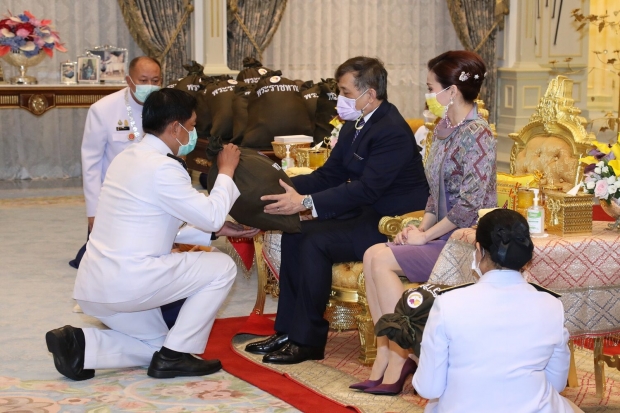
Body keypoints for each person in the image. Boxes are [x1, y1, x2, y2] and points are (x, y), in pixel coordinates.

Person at [45, 88, 259, 381]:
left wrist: (214, 232)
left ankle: (81, 345)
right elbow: (211, 214)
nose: (193, 133)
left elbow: (148, 223)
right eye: (193, 126)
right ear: (175, 127)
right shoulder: (163, 168)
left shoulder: (127, 157)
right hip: (128, 285)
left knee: (158, 346)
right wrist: (226, 171)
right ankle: (178, 356)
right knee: (221, 267)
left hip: (94, 286)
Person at [245, 56, 430, 364]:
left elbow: (367, 188)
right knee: (296, 232)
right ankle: (289, 330)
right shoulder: (355, 124)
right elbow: (329, 175)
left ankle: (308, 342)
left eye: (345, 93)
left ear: (369, 94)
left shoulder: (391, 130)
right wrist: (279, 184)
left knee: (316, 242)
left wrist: (305, 202)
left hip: (389, 222)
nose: (340, 100)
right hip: (364, 211)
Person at [354, 50, 496, 395]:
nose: (428, 95)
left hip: (467, 241)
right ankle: (388, 353)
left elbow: (468, 206)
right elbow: (435, 195)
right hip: (441, 234)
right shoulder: (445, 129)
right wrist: (419, 229)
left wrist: (425, 236)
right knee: (373, 254)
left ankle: (401, 352)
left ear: (452, 91)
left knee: (380, 257)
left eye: (432, 87)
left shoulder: (477, 134)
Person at [413, 209, 584, 413]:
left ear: (479, 250)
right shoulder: (551, 305)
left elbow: (429, 388)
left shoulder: (448, 303)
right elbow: (556, 384)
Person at [69, 56, 162, 269]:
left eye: (155, 81)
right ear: (129, 81)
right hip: (115, 198)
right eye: (144, 80)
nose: (150, 86)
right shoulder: (103, 110)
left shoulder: (166, 107)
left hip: (154, 194)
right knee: (105, 263)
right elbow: (91, 163)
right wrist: (93, 211)